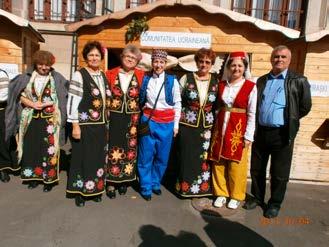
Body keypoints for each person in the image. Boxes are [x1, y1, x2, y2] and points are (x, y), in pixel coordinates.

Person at [243, 45, 312, 218]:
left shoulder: (299, 80)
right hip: (261, 132)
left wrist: (289, 120)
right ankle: (257, 198)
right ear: (271, 59)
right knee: (257, 169)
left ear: (289, 60)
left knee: (279, 173)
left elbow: (304, 107)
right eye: (276, 57)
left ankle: (274, 203)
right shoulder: (262, 80)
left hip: (282, 134)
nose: (279, 60)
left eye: (283, 57)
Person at [5, 50, 68, 191]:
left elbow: (64, 95)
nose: (44, 67)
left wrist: (48, 105)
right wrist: (32, 104)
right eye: (41, 64)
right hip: (30, 118)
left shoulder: (57, 78)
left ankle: (48, 179)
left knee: (49, 149)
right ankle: (33, 177)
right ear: (36, 64)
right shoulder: (26, 77)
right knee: (31, 148)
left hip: (50, 120)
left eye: (47, 65)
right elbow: (18, 95)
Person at [209, 51, 257, 209]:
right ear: (228, 67)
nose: (236, 68)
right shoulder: (222, 84)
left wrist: (249, 135)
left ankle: (236, 195)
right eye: (233, 65)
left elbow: (252, 113)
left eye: (240, 65)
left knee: (237, 164)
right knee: (218, 161)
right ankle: (221, 193)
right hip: (221, 128)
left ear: (244, 68)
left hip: (238, 129)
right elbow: (217, 108)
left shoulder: (251, 87)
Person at [66, 41, 111, 207]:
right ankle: (81, 192)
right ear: (86, 57)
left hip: (100, 125)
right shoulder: (80, 75)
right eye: (91, 55)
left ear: (101, 58)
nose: (94, 58)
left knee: (98, 158)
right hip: (84, 125)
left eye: (97, 55)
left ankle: (97, 189)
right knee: (83, 158)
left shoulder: (102, 75)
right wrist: (75, 125)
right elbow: (72, 101)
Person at [137, 49, 181, 201]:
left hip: (167, 124)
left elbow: (177, 103)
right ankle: (145, 186)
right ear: (152, 63)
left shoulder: (172, 80)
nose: (158, 65)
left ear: (165, 64)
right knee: (145, 155)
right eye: (155, 61)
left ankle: (156, 183)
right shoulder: (145, 79)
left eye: (161, 62)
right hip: (148, 121)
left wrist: (176, 125)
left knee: (162, 157)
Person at [175, 48, 218, 197]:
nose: (204, 64)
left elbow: (218, 105)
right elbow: (178, 102)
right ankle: (185, 188)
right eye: (201, 61)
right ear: (197, 62)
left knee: (204, 157)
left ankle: (203, 188)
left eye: (207, 62)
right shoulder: (186, 78)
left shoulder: (216, 81)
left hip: (207, 127)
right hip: (188, 124)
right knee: (187, 156)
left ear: (211, 64)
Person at [105, 45, 144, 199]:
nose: (130, 59)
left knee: (130, 148)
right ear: (122, 57)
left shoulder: (141, 75)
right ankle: (111, 182)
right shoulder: (110, 74)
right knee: (113, 148)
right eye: (127, 56)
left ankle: (124, 180)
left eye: (133, 58)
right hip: (114, 117)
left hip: (132, 119)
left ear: (137, 61)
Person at [0, 68, 19, 182]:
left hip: (2, 111)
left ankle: (4, 168)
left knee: (3, 140)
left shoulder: (1, 74)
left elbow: (3, 94)